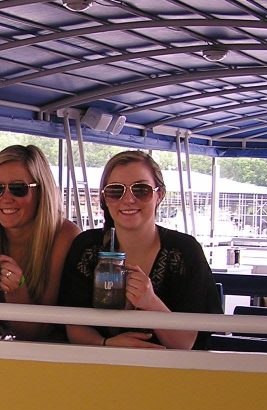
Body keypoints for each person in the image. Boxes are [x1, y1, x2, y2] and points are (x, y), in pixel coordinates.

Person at [58, 150, 222, 350]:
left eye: (141, 190)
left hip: (170, 373)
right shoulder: (86, 247)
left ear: (159, 195)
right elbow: (74, 326)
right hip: (100, 370)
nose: (128, 200)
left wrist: (151, 303)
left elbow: (185, 343)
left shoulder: (185, 251)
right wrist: (107, 344)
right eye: (116, 191)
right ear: (105, 199)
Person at [0, 144, 80, 340]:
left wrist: (17, 290)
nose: (6, 198)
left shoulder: (65, 236)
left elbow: (38, 332)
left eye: (18, 189)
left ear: (41, 191)